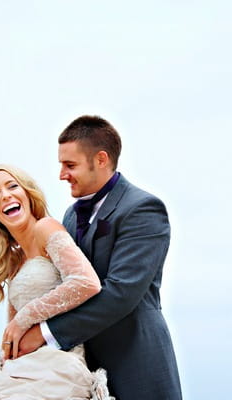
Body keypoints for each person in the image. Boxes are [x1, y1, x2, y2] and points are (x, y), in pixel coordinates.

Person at [16, 115, 183, 400]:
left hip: (135, 363)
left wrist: (45, 334)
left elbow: (122, 292)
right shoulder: (70, 214)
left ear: (101, 159)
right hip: (81, 370)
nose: (61, 174)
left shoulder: (143, 208)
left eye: (70, 165)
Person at [0, 164, 112, 400]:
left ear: (27, 193)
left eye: (12, 186)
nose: (6, 195)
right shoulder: (13, 261)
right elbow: (12, 332)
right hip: (22, 368)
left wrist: (25, 318)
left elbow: (86, 282)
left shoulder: (46, 228)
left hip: (56, 364)